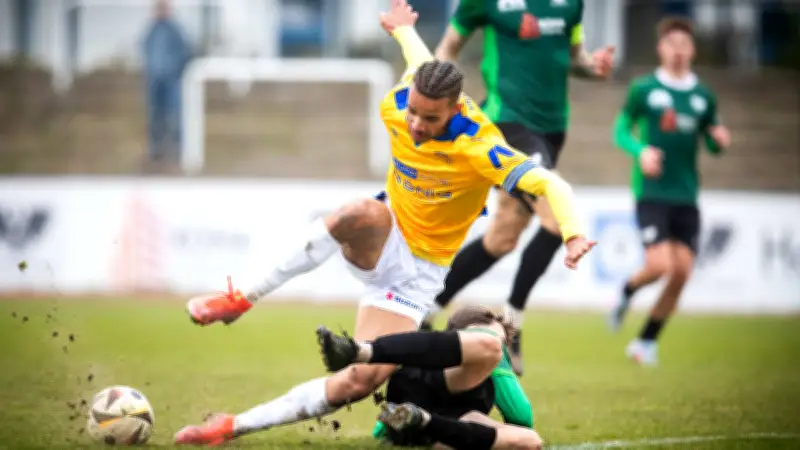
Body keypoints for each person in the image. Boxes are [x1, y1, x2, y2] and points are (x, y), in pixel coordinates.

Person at [173, 0, 595, 445]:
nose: (415, 125)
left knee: (358, 382)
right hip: (387, 232)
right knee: (357, 212)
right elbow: (419, 58)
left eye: (430, 118)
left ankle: (230, 426)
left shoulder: (481, 146)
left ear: (455, 110)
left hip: (419, 274)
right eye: (413, 112)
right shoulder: (404, 97)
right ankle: (241, 299)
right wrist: (403, 28)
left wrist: (572, 234)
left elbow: (553, 185)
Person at [424, 0, 615, 376]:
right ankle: (511, 326)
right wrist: (439, 99)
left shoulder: (572, 5)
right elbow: (448, 47)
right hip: (507, 122)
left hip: (552, 130)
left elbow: (575, 57)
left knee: (501, 239)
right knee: (557, 218)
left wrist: (593, 66)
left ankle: (426, 310)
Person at [607, 16, 731, 366]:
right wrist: (640, 151)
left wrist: (720, 141)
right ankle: (627, 290)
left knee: (682, 273)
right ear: (661, 48)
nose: (678, 50)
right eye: (671, 44)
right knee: (660, 265)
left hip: (687, 196)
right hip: (652, 193)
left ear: (692, 50)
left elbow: (713, 141)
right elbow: (620, 131)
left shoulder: (703, 96)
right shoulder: (644, 89)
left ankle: (645, 342)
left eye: (684, 44)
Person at [315, 305, 541, 450]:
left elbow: (522, 424)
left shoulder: (486, 375)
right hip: (425, 382)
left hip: (437, 426)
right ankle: (358, 351)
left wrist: (390, 427)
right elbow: (521, 413)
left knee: (530, 441)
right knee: (490, 349)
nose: (495, 347)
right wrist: (501, 364)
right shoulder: (490, 350)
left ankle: (420, 419)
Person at [142, 0, 190, 171]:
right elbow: (144, 49)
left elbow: (185, 52)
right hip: (155, 80)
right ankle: (156, 154)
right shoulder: (152, 30)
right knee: (155, 116)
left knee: (174, 115)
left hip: (171, 80)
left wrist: (175, 71)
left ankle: (178, 153)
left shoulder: (175, 30)